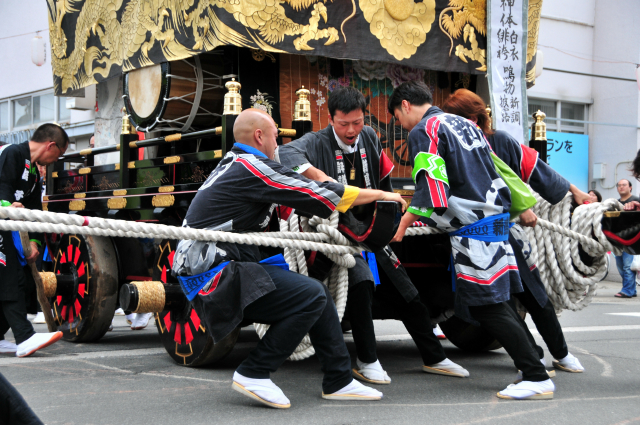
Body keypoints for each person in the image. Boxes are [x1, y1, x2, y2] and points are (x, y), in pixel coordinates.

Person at [172, 108, 408, 408]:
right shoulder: (252, 166)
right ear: (259, 136)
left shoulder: (238, 163)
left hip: (220, 266)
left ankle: (338, 380)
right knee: (310, 295)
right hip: (212, 274)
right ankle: (254, 371)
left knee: (317, 294)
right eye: (274, 135)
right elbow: (319, 193)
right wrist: (380, 195)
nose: (278, 143)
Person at [278, 87, 468, 385]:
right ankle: (367, 360)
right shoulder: (316, 141)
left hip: (371, 230)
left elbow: (384, 180)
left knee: (406, 289)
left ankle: (434, 357)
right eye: (344, 124)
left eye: (357, 122)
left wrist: (389, 211)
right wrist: (318, 176)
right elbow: (285, 154)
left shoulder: (368, 137)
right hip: (336, 235)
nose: (352, 130)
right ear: (330, 119)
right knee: (362, 283)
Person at [388, 81, 554, 400]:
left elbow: (433, 187)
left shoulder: (425, 130)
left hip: (473, 229)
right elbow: (496, 170)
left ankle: (535, 374)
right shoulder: (465, 124)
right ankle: (532, 366)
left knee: (486, 306)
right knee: (497, 302)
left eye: (397, 115)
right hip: (496, 220)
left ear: (406, 105)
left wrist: (403, 224)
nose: (400, 123)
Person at [442, 88, 587, 374]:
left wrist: (574, 191)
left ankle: (561, 352)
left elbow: (535, 167)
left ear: (473, 118)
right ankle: (530, 355)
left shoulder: (500, 141)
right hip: (471, 236)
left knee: (535, 295)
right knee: (498, 303)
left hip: (505, 232)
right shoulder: (448, 147)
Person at [0, 123, 66, 357]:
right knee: (10, 279)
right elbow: (2, 186)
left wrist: (36, 242)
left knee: (26, 281)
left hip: (13, 229)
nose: (55, 161)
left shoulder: (35, 175)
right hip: (2, 225)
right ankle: (24, 337)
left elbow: (36, 209)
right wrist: (7, 205)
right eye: (58, 154)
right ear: (50, 145)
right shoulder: (12, 153)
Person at [612, 179, 639, 298]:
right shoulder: (615, 203)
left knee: (628, 266)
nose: (621, 187)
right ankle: (631, 289)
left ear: (630, 187)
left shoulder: (636, 201)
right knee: (621, 266)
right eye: (619, 185)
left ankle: (627, 290)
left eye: (624, 185)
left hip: (631, 240)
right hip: (617, 239)